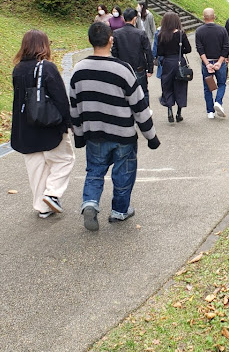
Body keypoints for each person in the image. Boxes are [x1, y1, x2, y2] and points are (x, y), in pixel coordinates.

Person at [69, 22, 160, 232]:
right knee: (123, 173)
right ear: (111, 40)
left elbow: (74, 107)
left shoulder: (78, 70)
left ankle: (90, 203)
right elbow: (139, 105)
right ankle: (119, 211)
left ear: (90, 40)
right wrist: (151, 136)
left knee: (94, 171)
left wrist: (79, 135)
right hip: (123, 134)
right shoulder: (122, 69)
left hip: (94, 133)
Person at [10, 30, 75, 219]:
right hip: (50, 125)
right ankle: (52, 193)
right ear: (44, 45)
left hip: (26, 128)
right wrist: (68, 122)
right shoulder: (47, 68)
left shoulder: (18, 69)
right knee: (64, 160)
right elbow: (60, 98)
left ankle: (43, 207)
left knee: (36, 168)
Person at [156, 11, 191, 123]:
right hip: (179, 61)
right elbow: (188, 49)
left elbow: (159, 52)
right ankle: (179, 113)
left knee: (167, 86)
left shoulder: (161, 34)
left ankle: (169, 111)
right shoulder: (181, 34)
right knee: (180, 86)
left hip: (167, 62)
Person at [112, 8, 154, 103]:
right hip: (139, 69)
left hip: (123, 69)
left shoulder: (116, 33)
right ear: (135, 19)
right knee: (143, 93)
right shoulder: (141, 33)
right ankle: (146, 115)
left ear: (123, 18)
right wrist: (150, 69)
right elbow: (148, 52)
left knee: (124, 94)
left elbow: (114, 52)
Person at [195, 8, 229, 119]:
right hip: (220, 62)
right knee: (221, 84)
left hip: (207, 62)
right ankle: (218, 102)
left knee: (207, 87)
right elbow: (226, 47)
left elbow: (200, 49)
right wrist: (219, 62)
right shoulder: (222, 30)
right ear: (214, 16)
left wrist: (207, 63)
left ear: (203, 17)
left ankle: (210, 111)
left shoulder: (199, 31)